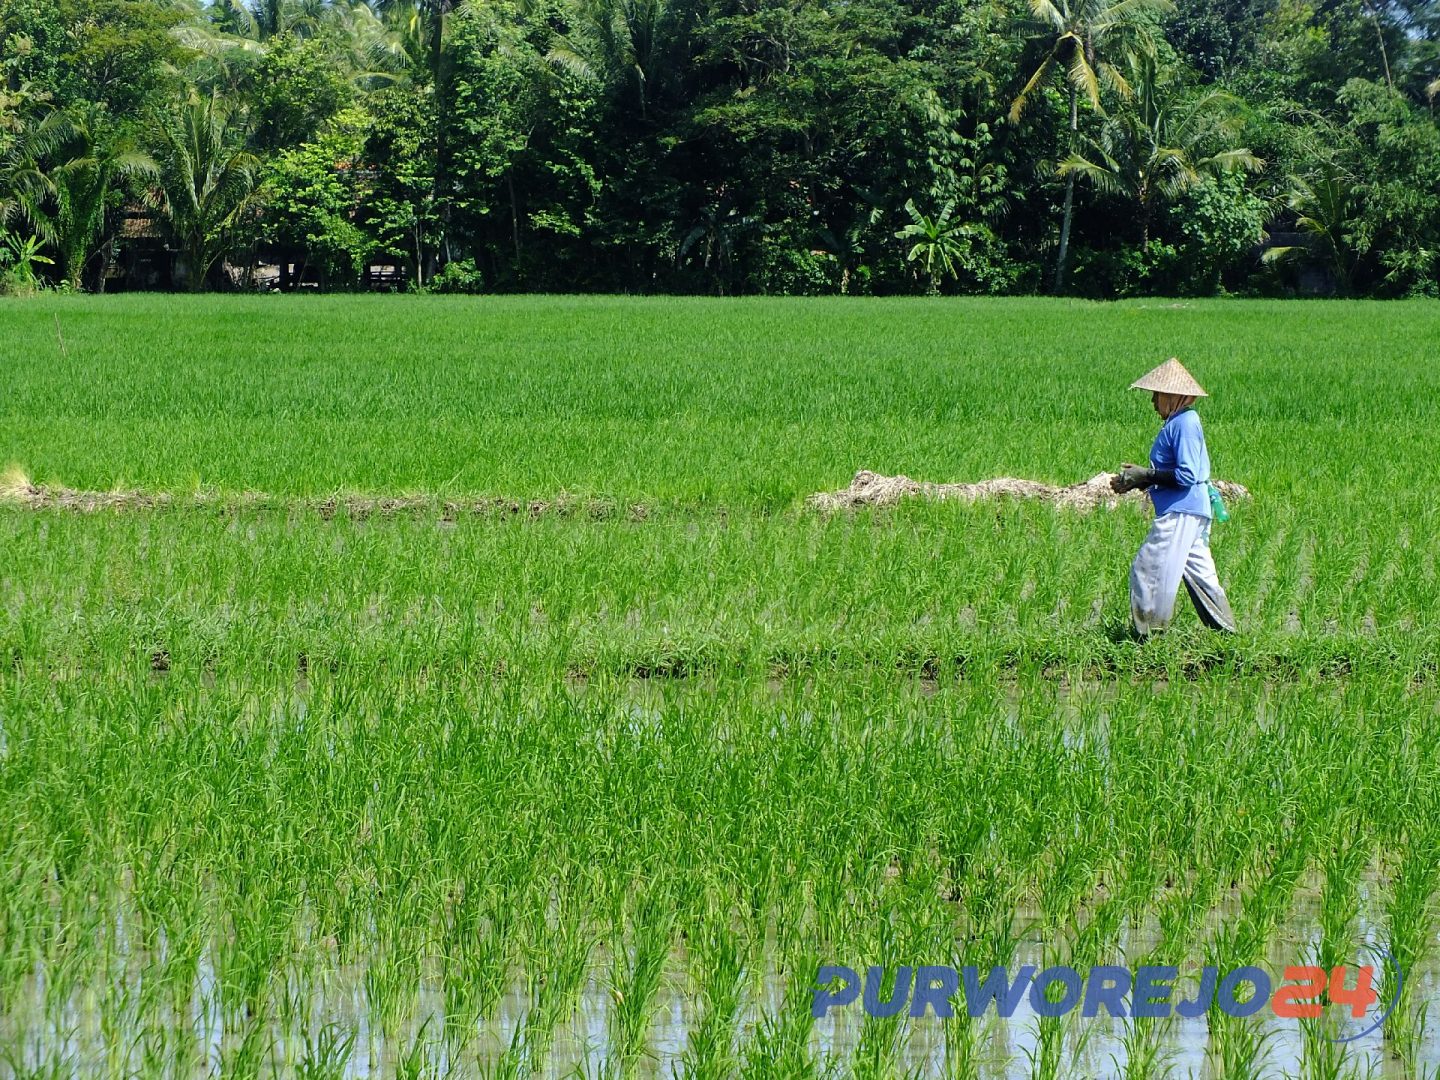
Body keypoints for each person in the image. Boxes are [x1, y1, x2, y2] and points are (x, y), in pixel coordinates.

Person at [1110, 358, 1237, 637]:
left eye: (1157, 395)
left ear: (1174, 396)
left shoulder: (1186, 423)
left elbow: (1187, 475)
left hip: (1182, 511)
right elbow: (1171, 474)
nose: (1153, 402)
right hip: (1192, 509)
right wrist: (1138, 480)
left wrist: (1146, 474)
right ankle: (1228, 634)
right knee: (1202, 576)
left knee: (1148, 569)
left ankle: (1149, 636)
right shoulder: (1178, 422)